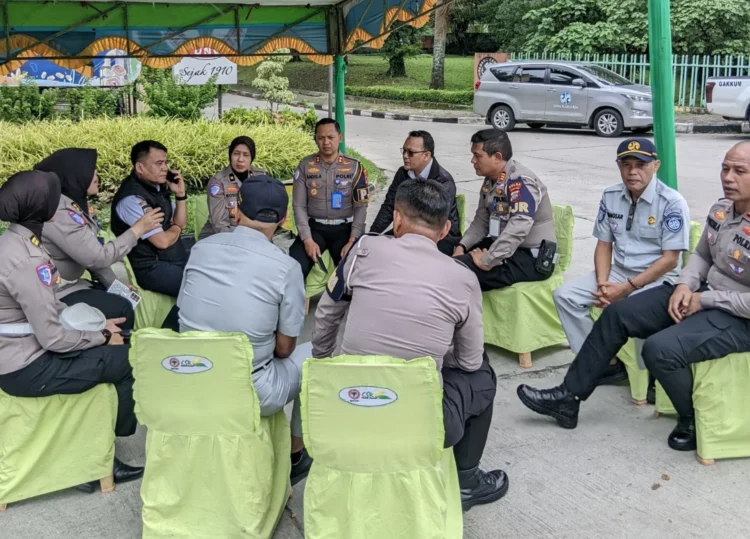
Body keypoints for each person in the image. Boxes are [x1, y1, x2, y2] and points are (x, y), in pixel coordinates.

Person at [517, 142, 750, 453]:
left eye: (740, 171)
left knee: (659, 349)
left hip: (736, 315)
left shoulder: (671, 201)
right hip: (701, 293)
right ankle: (568, 398)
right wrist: (685, 285)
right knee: (617, 314)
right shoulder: (722, 209)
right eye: (725, 168)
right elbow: (702, 256)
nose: (728, 177)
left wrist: (704, 300)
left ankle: (692, 419)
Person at [312, 179, 507, 512]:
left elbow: (327, 314)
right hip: (420, 421)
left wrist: (323, 365)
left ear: (397, 219)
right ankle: (466, 482)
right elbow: (470, 362)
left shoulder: (363, 249)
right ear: (445, 230)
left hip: (349, 402)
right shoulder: (463, 278)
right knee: (483, 375)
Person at [0, 170, 143, 491]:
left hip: (19, 352)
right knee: (126, 360)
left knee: (115, 336)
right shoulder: (28, 259)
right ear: (45, 210)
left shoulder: (14, 242)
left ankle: (93, 451)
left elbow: (47, 306)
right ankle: (99, 458)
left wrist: (100, 326)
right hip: (27, 367)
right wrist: (101, 336)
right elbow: (52, 338)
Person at [177, 175, 313, 485]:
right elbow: (285, 349)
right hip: (250, 391)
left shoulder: (200, 249)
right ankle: (295, 455)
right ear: (284, 218)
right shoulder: (287, 268)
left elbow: (184, 311)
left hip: (190, 375)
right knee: (317, 354)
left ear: (236, 210)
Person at [553, 138, 690, 387]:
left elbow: (670, 260)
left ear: (655, 165)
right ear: (619, 166)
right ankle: (604, 364)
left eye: (641, 164)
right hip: (619, 272)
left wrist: (625, 289)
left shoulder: (671, 202)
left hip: (658, 278)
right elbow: (604, 245)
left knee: (635, 310)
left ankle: (651, 379)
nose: (632, 171)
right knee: (565, 296)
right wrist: (603, 285)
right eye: (626, 164)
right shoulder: (611, 196)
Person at [35, 148, 164, 333]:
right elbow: (97, 257)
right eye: (91, 171)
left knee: (124, 297)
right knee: (121, 308)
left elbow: (90, 254)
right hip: (53, 294)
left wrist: (114, 285)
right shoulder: (60, 213)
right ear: (74, 175)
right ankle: (113, 347)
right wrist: (138, 229)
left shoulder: (75, 203)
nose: (97, 176)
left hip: (70, 285)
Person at [453, 129, 557, 291]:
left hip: (531, 257)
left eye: (477, 156)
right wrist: (462, 246)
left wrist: (487, 260)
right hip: (503, 245)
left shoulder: (520, 182)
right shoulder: (491, 180)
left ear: (497, 157)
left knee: (459, 270)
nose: (472, 161)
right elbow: (481, 220)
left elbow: (519, 227)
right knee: (444, 249)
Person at [289, 118, 369, 278]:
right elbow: (299, 206)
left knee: (354, 272)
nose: (326, 142)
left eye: (331, 137)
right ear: (315, 139)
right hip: (314, 228)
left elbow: (361, 206)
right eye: (321, 138)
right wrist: (307, 240)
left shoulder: (355, 167)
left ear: (340, 137)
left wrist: (352, 240)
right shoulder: (305, 166)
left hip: (345, 229)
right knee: (294, 268)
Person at [111, 140, 189, 298]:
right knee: (196, 285)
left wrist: (180, 195)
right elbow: (162, 241)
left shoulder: (157, 188)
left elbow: (182, 222)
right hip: (150, 266)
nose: (165, 168)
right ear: (140, 167)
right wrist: (176, 228)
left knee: (212, 269)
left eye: (165, 163)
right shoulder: (132, 199)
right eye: (159, 163)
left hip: (173, 257)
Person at [369, 130, 461, 255]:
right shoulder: (402, 173)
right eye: (404, 151)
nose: (405, 156)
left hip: (440, 236)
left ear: (426, 155)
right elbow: (389, 206)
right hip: (409, 231)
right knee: (377, 247)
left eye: (411, 152)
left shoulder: (443, 181)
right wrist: (372, 234)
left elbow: (431, 221)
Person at [198, 136, 266, 240]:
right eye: (236, 154)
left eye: (246, 155)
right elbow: (219, 224)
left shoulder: (261, 177)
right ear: (230, 155)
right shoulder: (218, 182)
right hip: (219, 235)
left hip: (251, 233)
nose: (240, 159)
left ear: (252, 157)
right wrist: (237, 243)